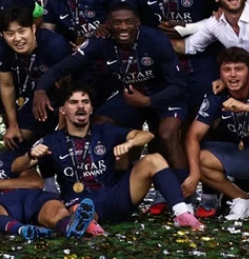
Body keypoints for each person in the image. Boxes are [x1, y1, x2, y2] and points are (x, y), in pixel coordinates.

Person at [12, 85, 203, 230]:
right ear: (63, 110)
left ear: (91, 109)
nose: (80, 107)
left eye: (85, 102)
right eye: (73, 102)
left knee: (153, 159)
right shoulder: (53, 140)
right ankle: (87, 225)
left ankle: (182, 214)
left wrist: (129, 143)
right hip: (80, 201)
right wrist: (30, 155)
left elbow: (147, 135)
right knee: (80, 209)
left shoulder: (105, 130)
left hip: (115, 196)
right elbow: (16, 167)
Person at [34, 3, 189, 182]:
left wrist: (148, 101)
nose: (123, 27)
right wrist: (40, 89)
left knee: (167, 135)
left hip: (164, 93)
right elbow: (62, 67)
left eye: (128, 22)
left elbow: (179, 86)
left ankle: (185, 190)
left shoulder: (156, 39)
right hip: (131, 95)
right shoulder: (100, 41)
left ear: (138, 22)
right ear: (108, 24)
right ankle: (118, 182)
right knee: (100, 124)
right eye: (117, 23)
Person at [183, 47, 249, 222]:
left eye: (238, 69)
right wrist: (194, 175)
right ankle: (243, 199)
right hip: (244, 151)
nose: (232, 75)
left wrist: (246, 107)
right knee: (198, 158)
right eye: (227, 70)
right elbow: (193, 136)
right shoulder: (217, 94)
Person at [0, 123, 95, 240]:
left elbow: (35, 182)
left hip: (31, 198)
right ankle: (24, 231)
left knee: (55, 208)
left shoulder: (7, 158)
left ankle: (69, 227)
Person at [122, 0, 217, 110]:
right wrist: (156, 39)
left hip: (200, 58)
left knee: (204, 107)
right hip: (159, 59)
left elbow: (219, 18)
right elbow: (125, 15)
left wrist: (188, 29)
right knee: (166, 111)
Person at [0, 6, 71, 146]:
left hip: (60, 97)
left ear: (33, 28)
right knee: (18, 138)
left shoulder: (55, 45)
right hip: (29, 98)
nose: (17, 38)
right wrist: (12, 125)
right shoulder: (2, 49)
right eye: (10, 34)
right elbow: (6, 85)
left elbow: (68, 87)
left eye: (22, 31)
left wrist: (63, 125)